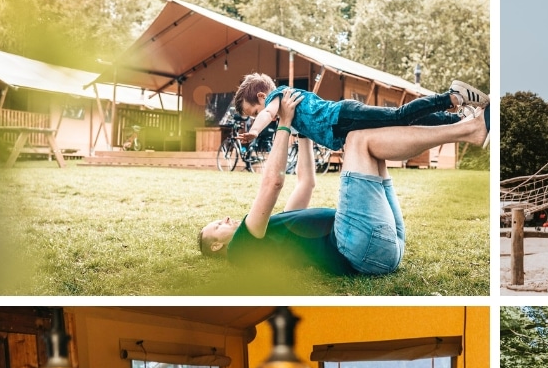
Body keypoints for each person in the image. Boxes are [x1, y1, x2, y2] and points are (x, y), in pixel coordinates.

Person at [199, 89, 490, 276]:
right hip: (357, 248)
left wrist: (300, 134)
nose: (224, 219)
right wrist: (284, 123)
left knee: (372, 148)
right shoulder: (241, 248)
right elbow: (272, 183)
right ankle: (467, 129)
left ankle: (466, 126)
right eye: (216, 226)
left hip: (384, 247)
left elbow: (306, 184)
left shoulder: (274, 230)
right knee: (357, 139)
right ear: (216, 247)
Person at [233, 73, 489, 153]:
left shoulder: (279, 95)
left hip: (343, 117)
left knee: (399, 116)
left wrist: (255, 130)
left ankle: (453, 97)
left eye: (254, 112)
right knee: (402, 126)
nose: (260, 115)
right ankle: (456, 120)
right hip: (344, 125)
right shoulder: (287, 108)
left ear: (262, 98)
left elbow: (267, 113)